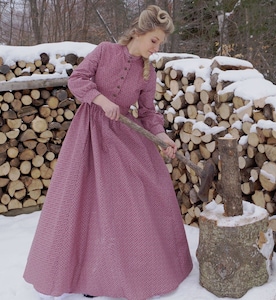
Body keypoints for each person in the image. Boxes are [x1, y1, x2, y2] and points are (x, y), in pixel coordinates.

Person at [23, 5, 193, 300]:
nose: (156, 47)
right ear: (139, 33)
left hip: (124, 137)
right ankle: (88, 276)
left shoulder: (147, 72)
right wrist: (100, 100)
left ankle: (135, 272)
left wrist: (163, 137)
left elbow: (149, 113)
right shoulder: (104, 51)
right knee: (87, 203)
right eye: (154, 40)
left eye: (160, 43)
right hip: (89, 136)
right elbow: (77, 80)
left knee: (133, 200)